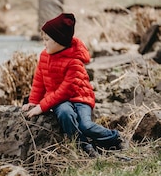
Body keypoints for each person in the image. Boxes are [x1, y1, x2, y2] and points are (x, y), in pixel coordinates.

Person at [22, 12, 126, 157]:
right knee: (65, 113)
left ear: (60, 41)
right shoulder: (44, 55)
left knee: (86, 125)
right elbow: (39, 81)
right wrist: (33, 101)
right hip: (59, 99)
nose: (44, 43)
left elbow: (66, 90)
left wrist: (42, 106)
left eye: (47, 40)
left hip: (80, 97)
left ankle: (114, 138)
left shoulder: (74, 61)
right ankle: (85, 146)